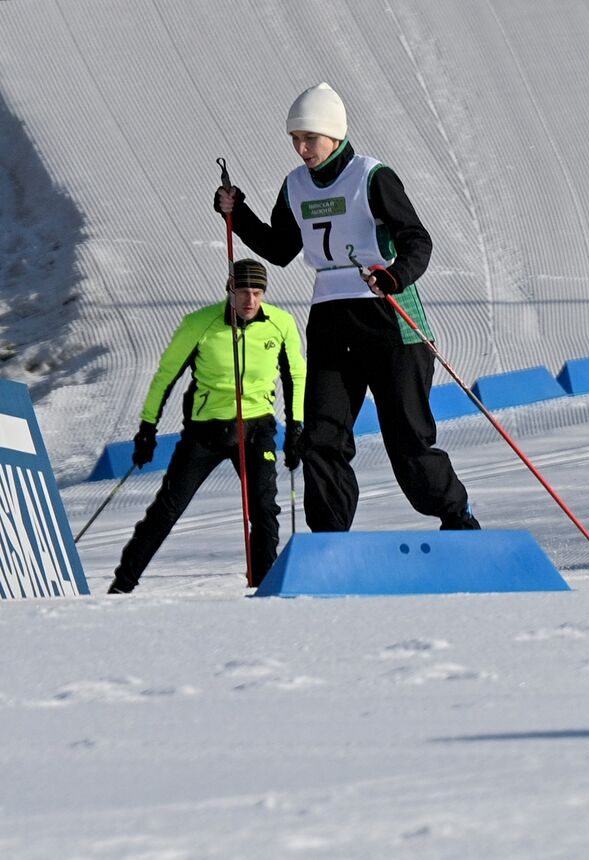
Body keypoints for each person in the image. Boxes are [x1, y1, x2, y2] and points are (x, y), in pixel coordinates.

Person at [214, 82, 477, 533]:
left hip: (389, 317)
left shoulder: (371, 176)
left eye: (309, 139)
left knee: (407, 438)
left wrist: (393, 275)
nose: (301, 149)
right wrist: (237, 214)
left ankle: (457, 519)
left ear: (334, 135)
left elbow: (417, 239)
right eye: (295, 139)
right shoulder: (295, 185)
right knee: (322, 437)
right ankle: (330, 539)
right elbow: (280, 248)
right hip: (332, 318)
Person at [109, 260, 305, 593]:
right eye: (243, 291)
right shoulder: (200, 323)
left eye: (257, 293)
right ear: (230, 287)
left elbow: (296, 375)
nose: (250, 301)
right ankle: (122, 586)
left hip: (257, 428)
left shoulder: (280, 324)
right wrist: (148, 429)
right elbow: (165, 377)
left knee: (264, 509)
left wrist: (296, 426)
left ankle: (262, 588)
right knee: (167, 509)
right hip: (206, 432)